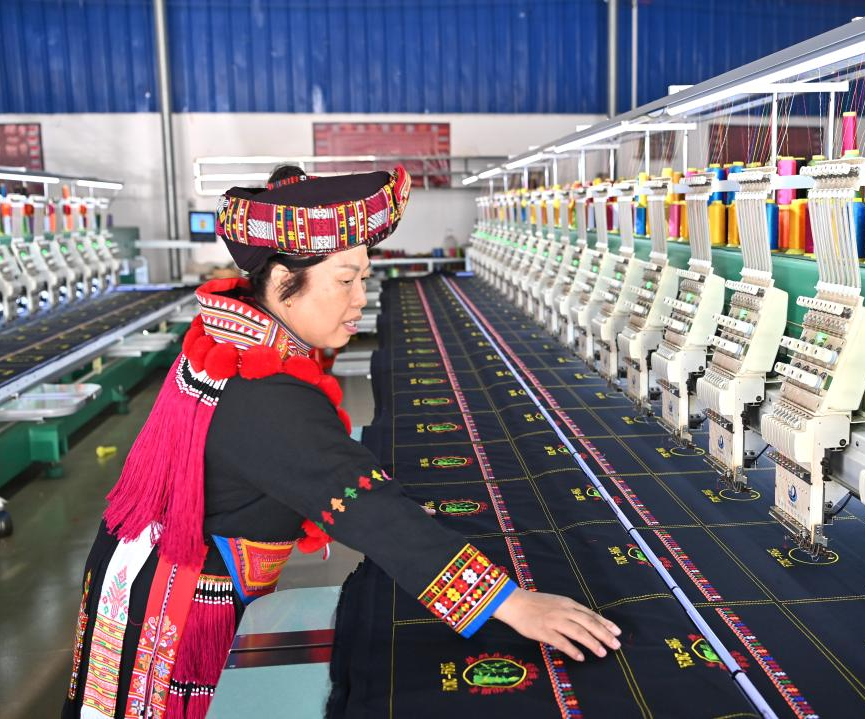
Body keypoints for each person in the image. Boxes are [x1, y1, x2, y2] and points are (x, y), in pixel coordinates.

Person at [63, 165, 620, 719]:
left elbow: (303, 466)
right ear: (283, 281)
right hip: (174, 603)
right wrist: (512, 603)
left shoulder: (229, 338)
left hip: (143, 563)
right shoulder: (265, 390)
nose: (361, 298)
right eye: (345, 280)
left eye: (364, 278)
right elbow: (363, 507)